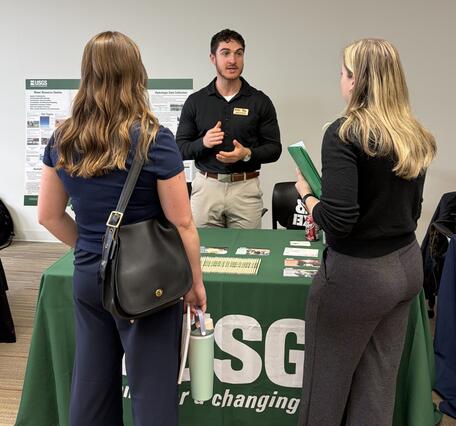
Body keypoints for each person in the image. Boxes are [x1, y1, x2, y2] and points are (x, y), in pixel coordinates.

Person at [37, 31, 206, 426]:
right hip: (148, 284)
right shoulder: (155, 140)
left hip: (88, 276)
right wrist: (195, 283)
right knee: (153, 392)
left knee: (92, 387)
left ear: (87, 76)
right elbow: (183, 222)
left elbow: (48, 215)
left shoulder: (63, 138)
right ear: (137, 75)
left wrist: (96, 249)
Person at [295, 39, 436, 426]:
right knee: (377, 388)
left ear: (357, 81)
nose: (340, 79)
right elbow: (412, 210)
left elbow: (339, 220)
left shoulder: (344, 133)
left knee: (322, 397)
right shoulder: (414, 134)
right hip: (407, 267)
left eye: (343, 73)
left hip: (357, 277)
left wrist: (307, 196)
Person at [176, 28, 281, 229]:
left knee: (247, 252)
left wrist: (247, 154)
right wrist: (203, 143)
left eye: (238, 53)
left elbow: (274, 149)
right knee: (202, 253)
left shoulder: (260, 101)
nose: (233, 60)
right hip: (207, 187)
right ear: (213, 58)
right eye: (225, 53)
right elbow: (179, 148)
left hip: (245, 189)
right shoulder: (196, 101)